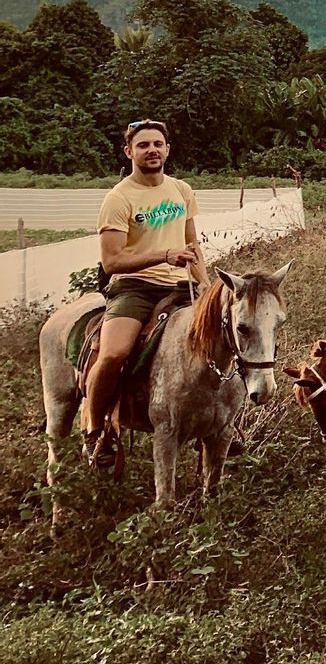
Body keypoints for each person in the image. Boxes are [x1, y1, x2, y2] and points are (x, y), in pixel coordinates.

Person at [85, 119, 208, 466]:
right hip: (134, 288)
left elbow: (191, 245)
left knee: (224, 338)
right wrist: (164, 256)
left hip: (180, 286)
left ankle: (222, 421)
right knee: (114, 352)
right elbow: (112, 261)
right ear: (129, 152)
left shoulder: (181, 190)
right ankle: (96, 430)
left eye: (157, 144)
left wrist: (208, 287)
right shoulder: (119, 198)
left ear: (167, 149)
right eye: (143, 145)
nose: (151, 150)